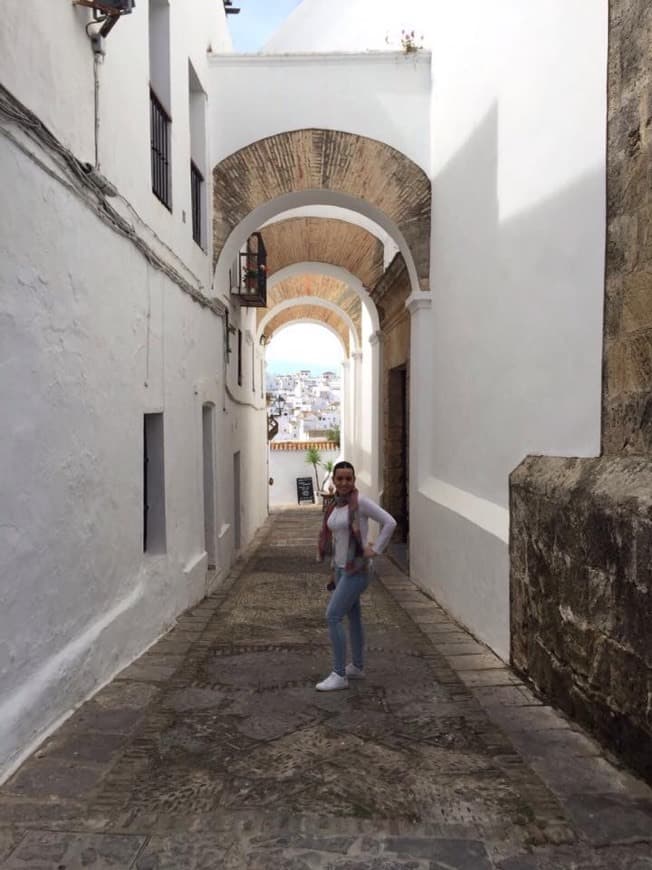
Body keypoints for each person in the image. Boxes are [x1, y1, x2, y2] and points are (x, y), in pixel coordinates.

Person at [315, 460, 396, 691]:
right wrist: (333, 571)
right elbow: (338, 541)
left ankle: (339, 674)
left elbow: (390, 522)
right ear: (333, 480)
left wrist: (376, 549)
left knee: (332, 616)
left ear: (354, 481)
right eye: (339, 478)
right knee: (354, 618)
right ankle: (357, 667)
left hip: (357, 570)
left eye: (348, 478)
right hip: (341, 569)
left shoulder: (359, 502)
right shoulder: (335, 505)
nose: (343, 482)